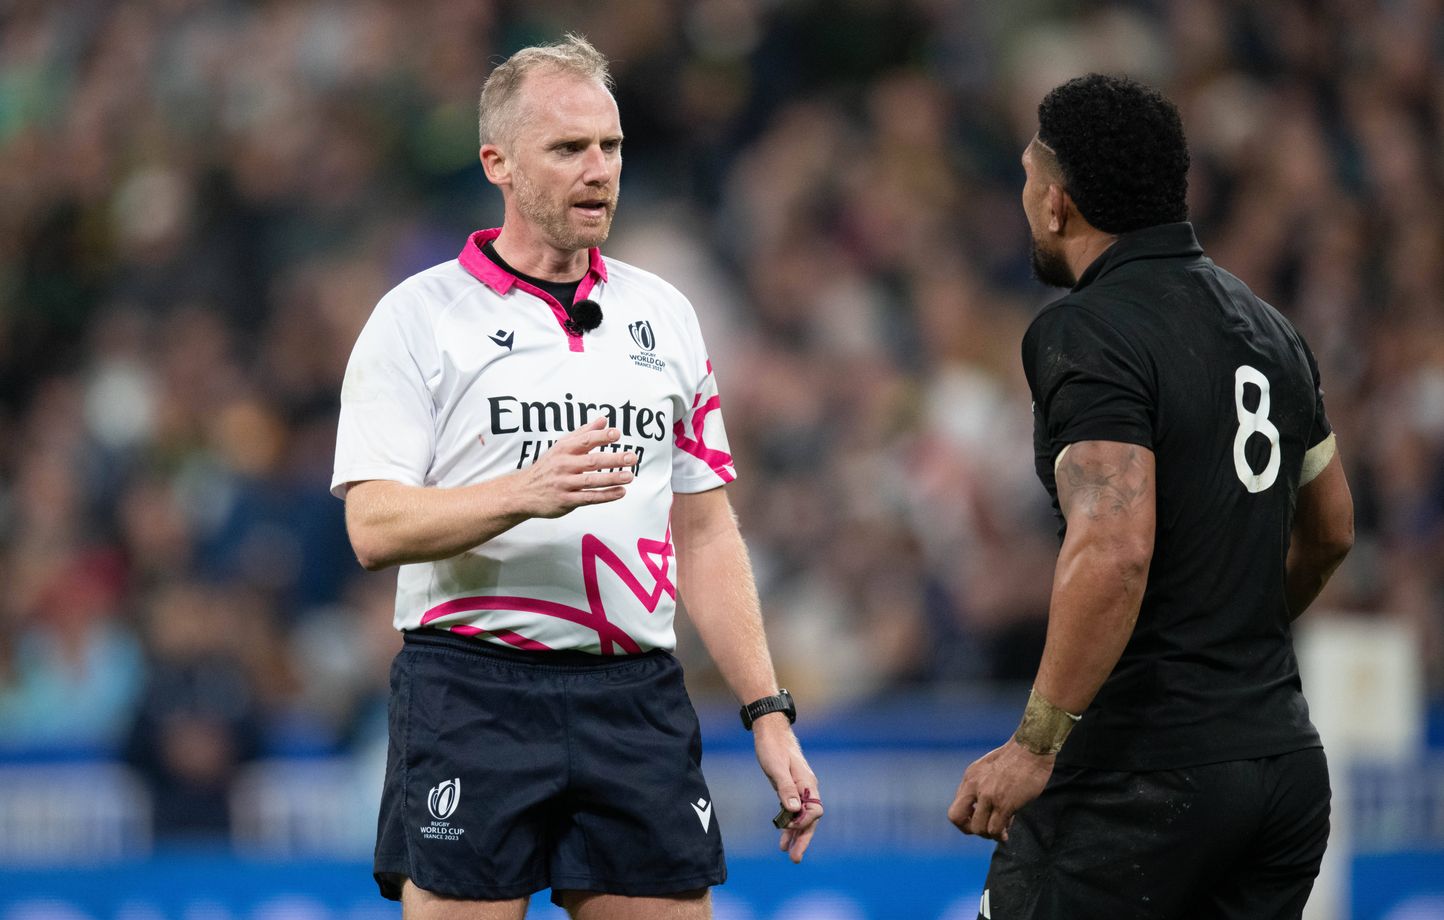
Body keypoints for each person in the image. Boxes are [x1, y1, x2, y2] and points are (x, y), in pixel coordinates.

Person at [332, 34, 821, 920]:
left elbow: (705, 530)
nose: (598, 170)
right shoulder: (416, 319)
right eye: (568, 149)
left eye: (612, 146)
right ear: (499, 163)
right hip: (474, 688)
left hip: (632, 694)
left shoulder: (663, 315)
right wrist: (523, 491)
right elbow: (374, 528)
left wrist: (767, 711)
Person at [948, 74, 1355, 920]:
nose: (1025, 200)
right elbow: (1332, 531)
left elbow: (1114, 546)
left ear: (1057, 203)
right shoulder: (1273, 330)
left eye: (1028, 179)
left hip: (1141, 777)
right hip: (1279, 766)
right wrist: (1229, 626)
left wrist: (1036, 745)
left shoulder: (1085, 331)